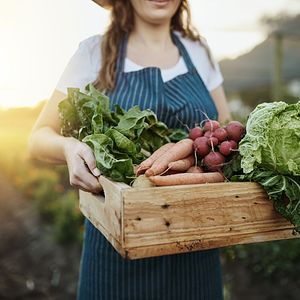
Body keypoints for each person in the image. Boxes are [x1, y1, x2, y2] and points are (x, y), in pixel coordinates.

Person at [29, 0, 231, 299]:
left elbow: (224, 130)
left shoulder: (198, 50)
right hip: (115, 249)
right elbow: (38, 138)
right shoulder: (93, 53)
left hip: (196, 246)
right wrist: (70, 148)